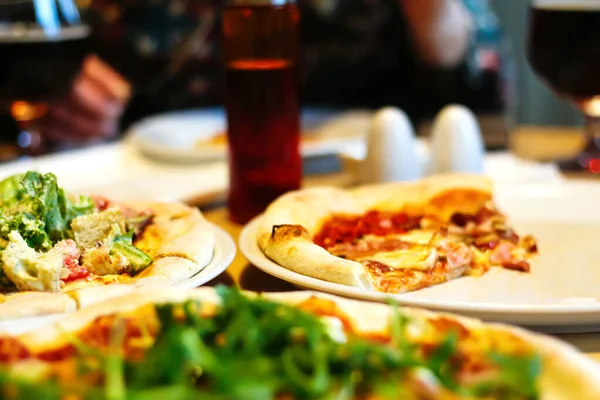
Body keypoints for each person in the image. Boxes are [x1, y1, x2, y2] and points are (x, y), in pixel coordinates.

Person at [40, 0, 479, 145]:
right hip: (133, 186)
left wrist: (435, 18)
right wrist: (43, 88)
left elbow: (484, 107)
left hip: (369, 187)